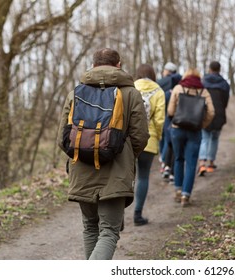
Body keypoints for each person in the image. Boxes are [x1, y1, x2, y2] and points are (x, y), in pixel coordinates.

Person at [57, 48, 149, 259]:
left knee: (90, 228)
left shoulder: (76, 92)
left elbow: (62, 139)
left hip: (82, 169)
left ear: (93, 65)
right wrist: (123, 155)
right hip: (116, 172)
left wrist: (83, 152)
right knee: (108, 232)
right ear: (118, 64)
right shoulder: (131, 93)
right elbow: (140, 136)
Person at [167, 68, 215, 207]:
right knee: (191, 163)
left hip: (178, 129)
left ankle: (178, 190)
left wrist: (175, 119)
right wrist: (201, 124)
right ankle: (185, 195)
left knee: (178, 159)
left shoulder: (178, 88)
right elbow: (211, 112)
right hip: (194, 131)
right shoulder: (203, 91)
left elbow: (170, 111)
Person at [133, 64, 165, 226]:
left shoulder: (130, 87)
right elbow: (159, 120)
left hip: (129, 139)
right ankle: (137, 214)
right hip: (148, 139)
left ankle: (116, 216)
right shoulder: (159, 91)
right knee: (143, 176)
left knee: (124, 177)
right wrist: (157, 137)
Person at [198, 61, 230, 176]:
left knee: (204, 138)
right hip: (219, 114)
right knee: (214, 139)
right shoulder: (225, 84)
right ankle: (211, 164)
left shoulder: (203, 81)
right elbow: (225, 101)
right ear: (219, 69)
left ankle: (202, 163)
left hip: (205, 114)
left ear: (209, 69)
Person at [157, 62, 182, 182]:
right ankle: (167, 165)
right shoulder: (179, 82)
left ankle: (163, 161)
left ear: (167, 70)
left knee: (163, 139)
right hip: (173, 116)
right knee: (170, 141)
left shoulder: (160, 82)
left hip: (161, 113)